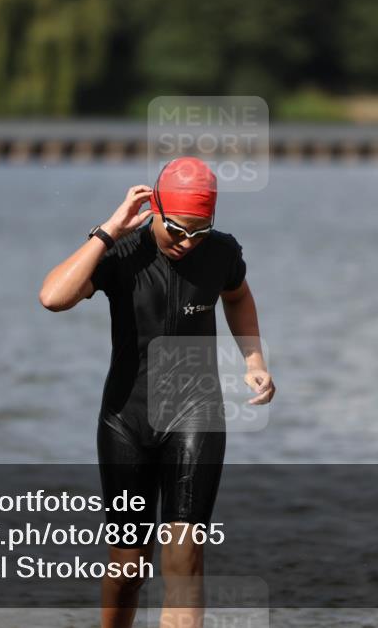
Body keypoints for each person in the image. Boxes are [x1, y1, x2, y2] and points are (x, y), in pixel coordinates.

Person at [40, 157, 275, 628]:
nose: (188, 241)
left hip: (196, 414)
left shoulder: (220, 252)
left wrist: (253, 359)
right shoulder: (122, 252)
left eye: (199, 231)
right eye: (177, 229)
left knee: (184, 555)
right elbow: (53, 297)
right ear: (154, 208)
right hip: (127, 418)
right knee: (129, 567)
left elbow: (238, 295)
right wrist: (108, 230)